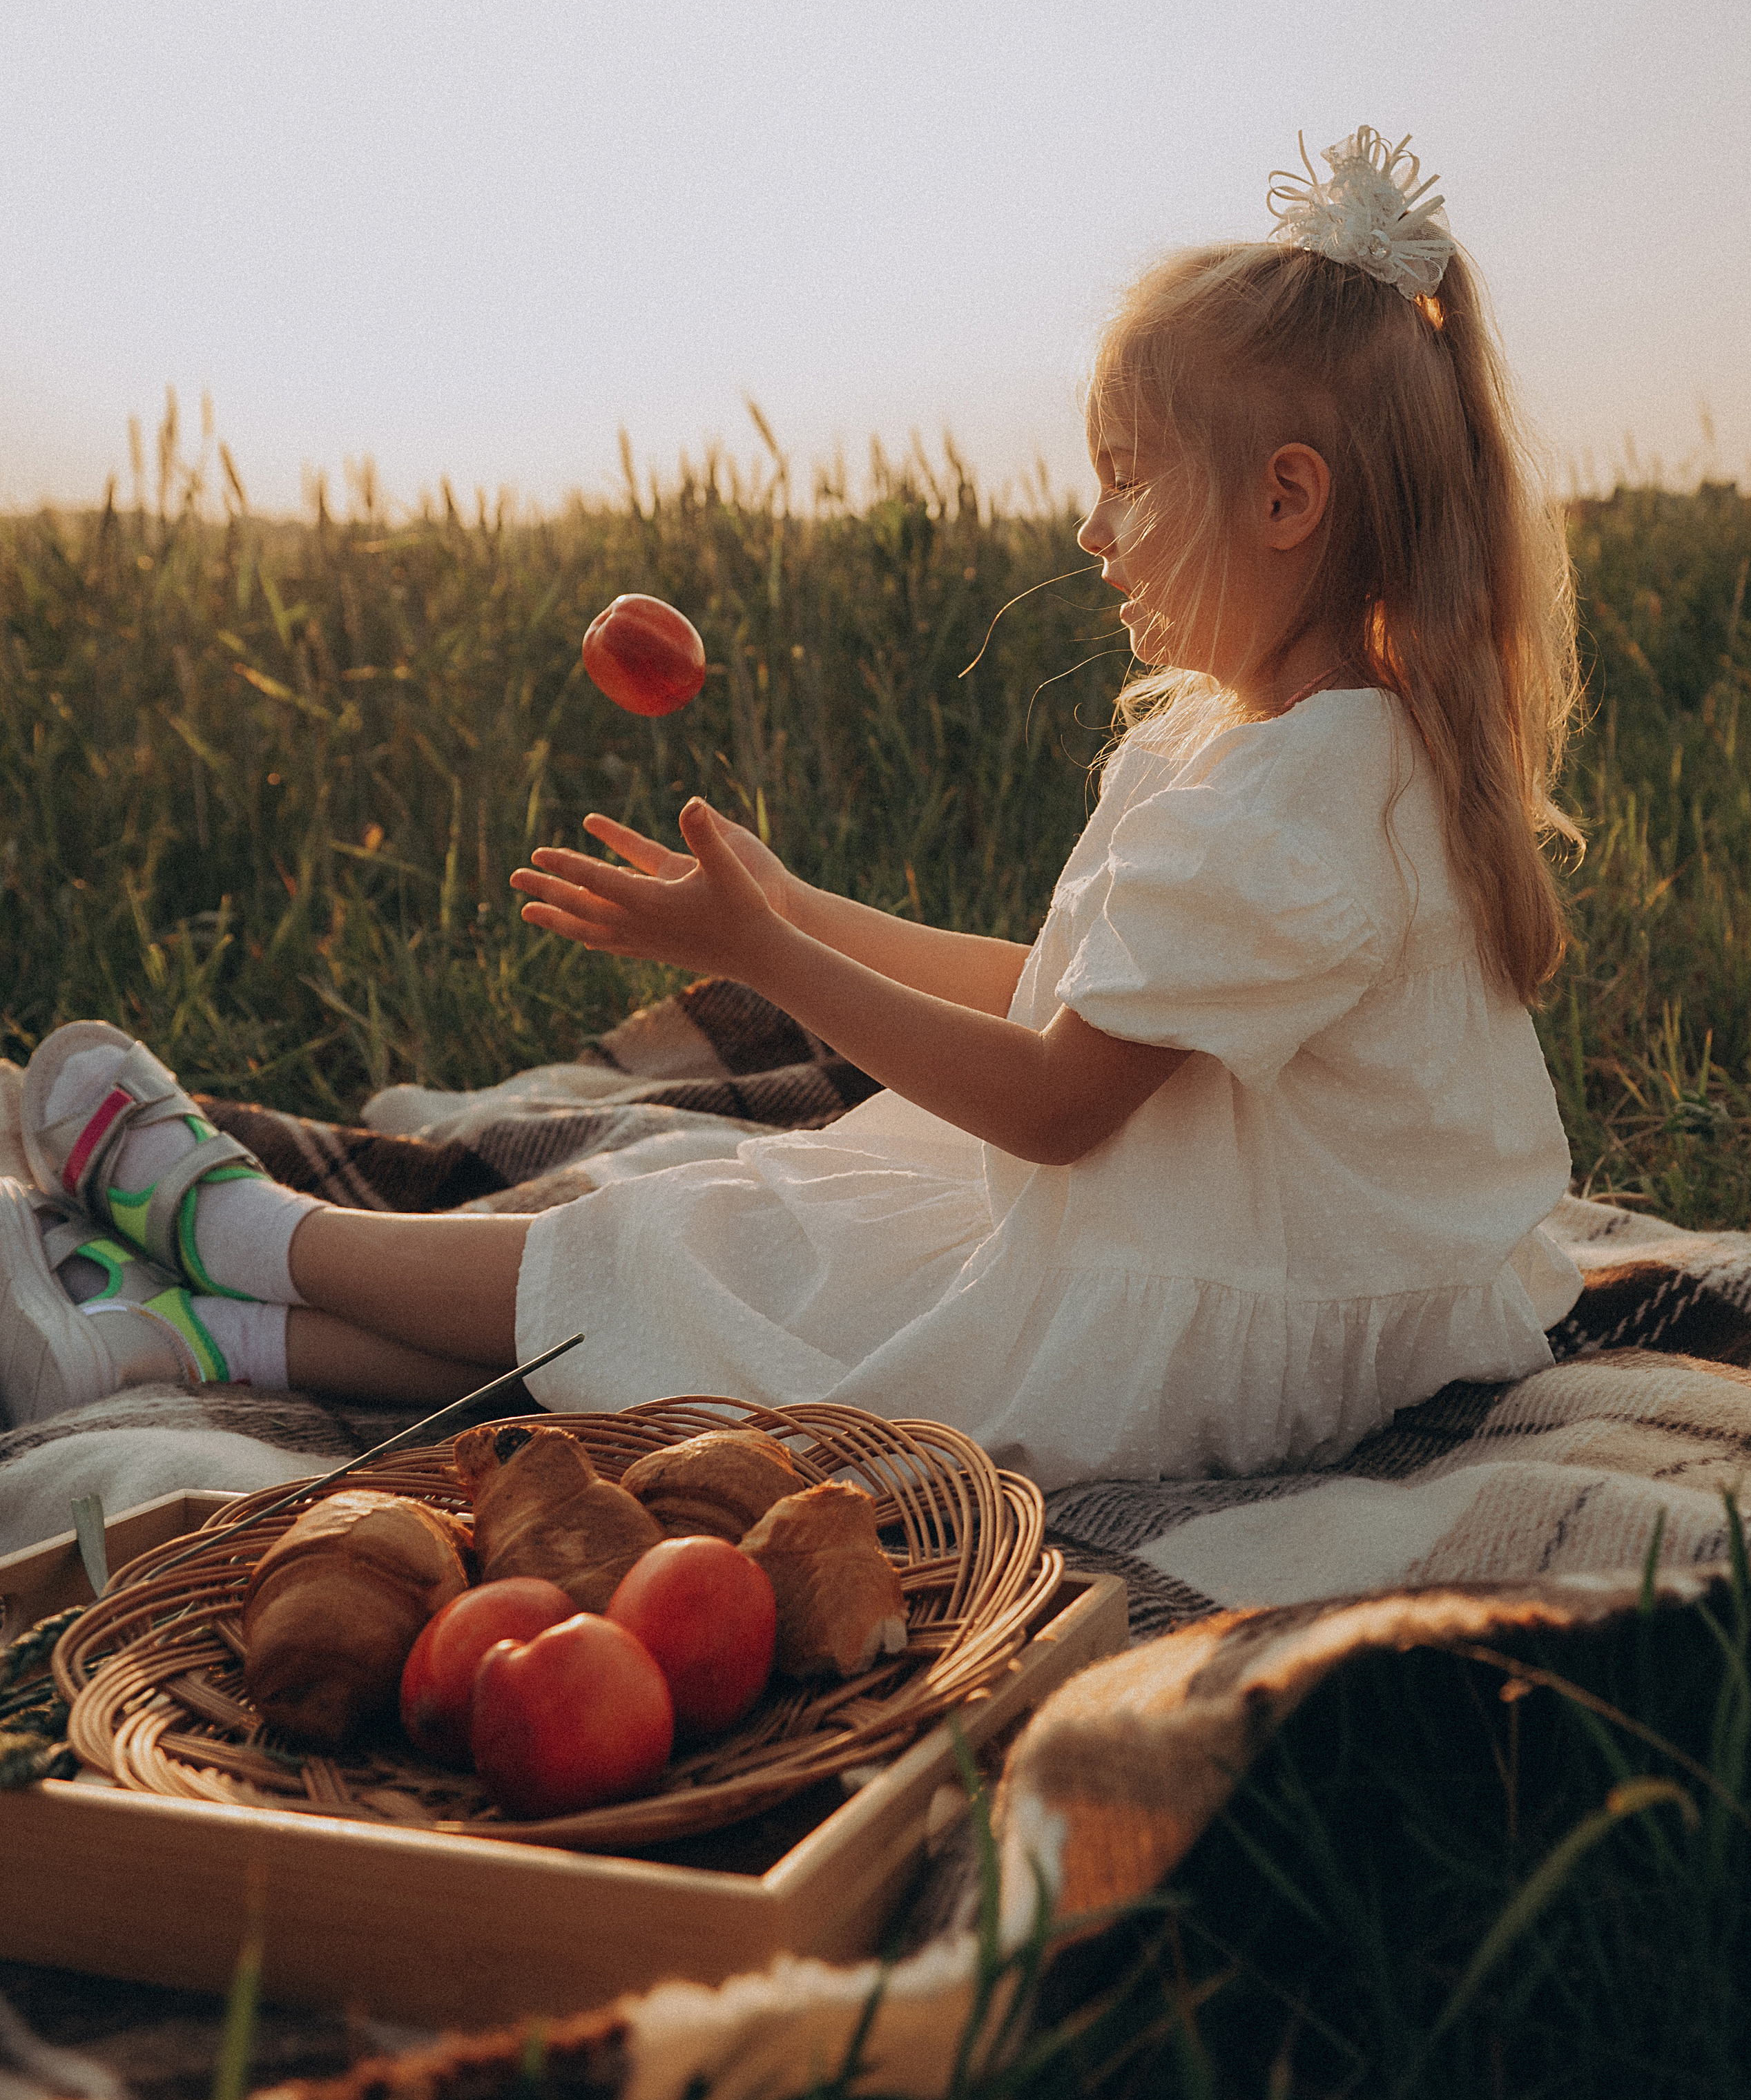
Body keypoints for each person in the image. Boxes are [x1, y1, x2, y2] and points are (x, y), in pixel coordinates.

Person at [1, 127, 1583, 1487]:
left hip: (1229, 1315)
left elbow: (1049, 1102)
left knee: (717, 1260)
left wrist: (769, 958)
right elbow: (1061, 1000)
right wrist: (793, 904)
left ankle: (240, 1228)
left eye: (1126, 478)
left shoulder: (1297, 802)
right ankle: (177, 1339)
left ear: (1284, 500)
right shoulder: (1272, 745)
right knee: (737, 1251)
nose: (1089, 530)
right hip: (1236, 1237)